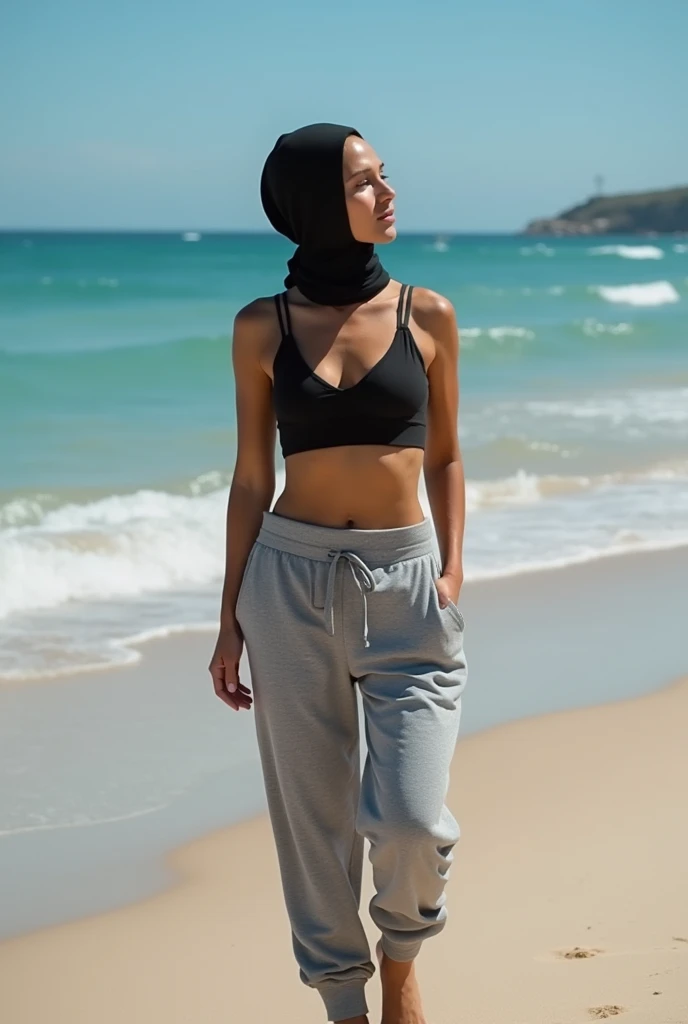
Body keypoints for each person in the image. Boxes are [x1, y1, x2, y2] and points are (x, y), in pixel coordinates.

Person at [209, 122, 468, 1024]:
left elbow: (446, 457)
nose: (388, 193)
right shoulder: (260, 327)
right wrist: (228, 616)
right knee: (312, 826)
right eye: (365, 182)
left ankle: (402, 961)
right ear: (321, 203)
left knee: (409, 820)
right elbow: (251, 476)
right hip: (287, 584)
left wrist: (451, 571)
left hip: (407, 587)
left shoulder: (425, 312)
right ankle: (343, 1007)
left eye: (384, 175)